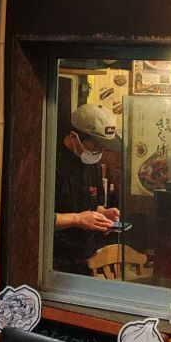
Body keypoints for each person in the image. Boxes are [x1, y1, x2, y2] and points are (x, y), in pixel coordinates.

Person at [53, 103, 122, 273]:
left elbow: (93, 205)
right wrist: (77, 219)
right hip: (55, 259)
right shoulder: (51, 163)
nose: (100, 151)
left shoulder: (92, 164)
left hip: (86, 256)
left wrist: (103, 214)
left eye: (104, 146)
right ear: (74, 136)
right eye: (96, 145)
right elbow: (38, 218)